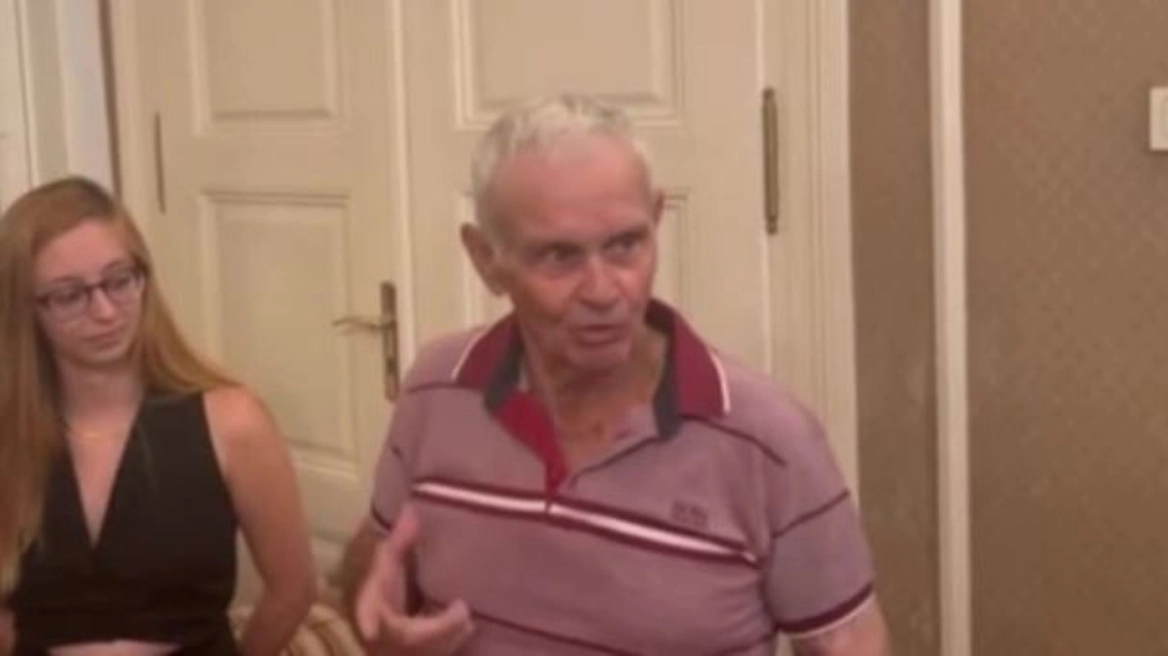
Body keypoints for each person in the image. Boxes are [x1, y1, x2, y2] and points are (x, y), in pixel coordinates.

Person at [340, 94, 890, 655]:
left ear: (656, 221)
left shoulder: (770, 439)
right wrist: (377, 621)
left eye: (626, 245)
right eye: (559, 256)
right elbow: (374, 565)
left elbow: (849, 644)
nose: (604, 292)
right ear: (486, 260)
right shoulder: (435, 389)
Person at [0, 177, 316, 655]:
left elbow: (292, 590)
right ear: (24, 309)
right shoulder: (9, 437)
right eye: (69, 296)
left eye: (119, 280)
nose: (105, 312)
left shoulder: (233, 422)